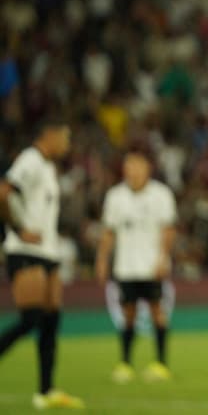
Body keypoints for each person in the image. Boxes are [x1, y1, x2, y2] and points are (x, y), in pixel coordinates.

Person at [0, 118, 84, 410]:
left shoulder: (48, 167)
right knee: (30, 319)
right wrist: (18, 228)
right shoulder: (31, 159)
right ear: (50, 134)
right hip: (25, 250)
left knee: (50, 322)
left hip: (48, 253)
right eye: (66, 137)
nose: (67, 144)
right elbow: (3, 192)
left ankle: (45, 391)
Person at [95, 149, 178, 383]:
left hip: (152, 265)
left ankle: (161, 363)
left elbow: (169, 230)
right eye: (129, 165)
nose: (133, 170)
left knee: (157, 313)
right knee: (127, 315)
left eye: (138, 165)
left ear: (147, 168)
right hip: (126, 266)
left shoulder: (161, 195)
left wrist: (163, 258)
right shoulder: (115, 196)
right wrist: (102, 259)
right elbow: (108, 232)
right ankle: (125, 363)